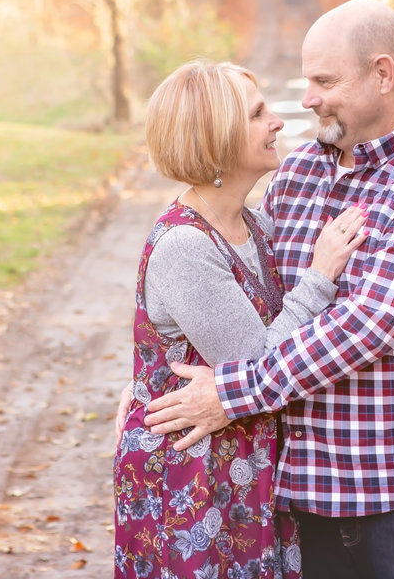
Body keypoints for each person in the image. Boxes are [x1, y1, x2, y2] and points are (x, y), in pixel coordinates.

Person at [141, 0, 394, 579]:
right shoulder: (301, 172)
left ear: (383, 75)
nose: (307, 99)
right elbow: (249, 299)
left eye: (325, 81)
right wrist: (154, 377)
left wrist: (230, 394)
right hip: (308, 495)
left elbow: (365, 327)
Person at [114, 60, 369, 579]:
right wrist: (319, 277)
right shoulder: (186, 245)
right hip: (193, 481)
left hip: (242, 472)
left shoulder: (252, 225)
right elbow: (257, 364)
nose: (277, 121)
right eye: (257, 114)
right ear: (215, 140)